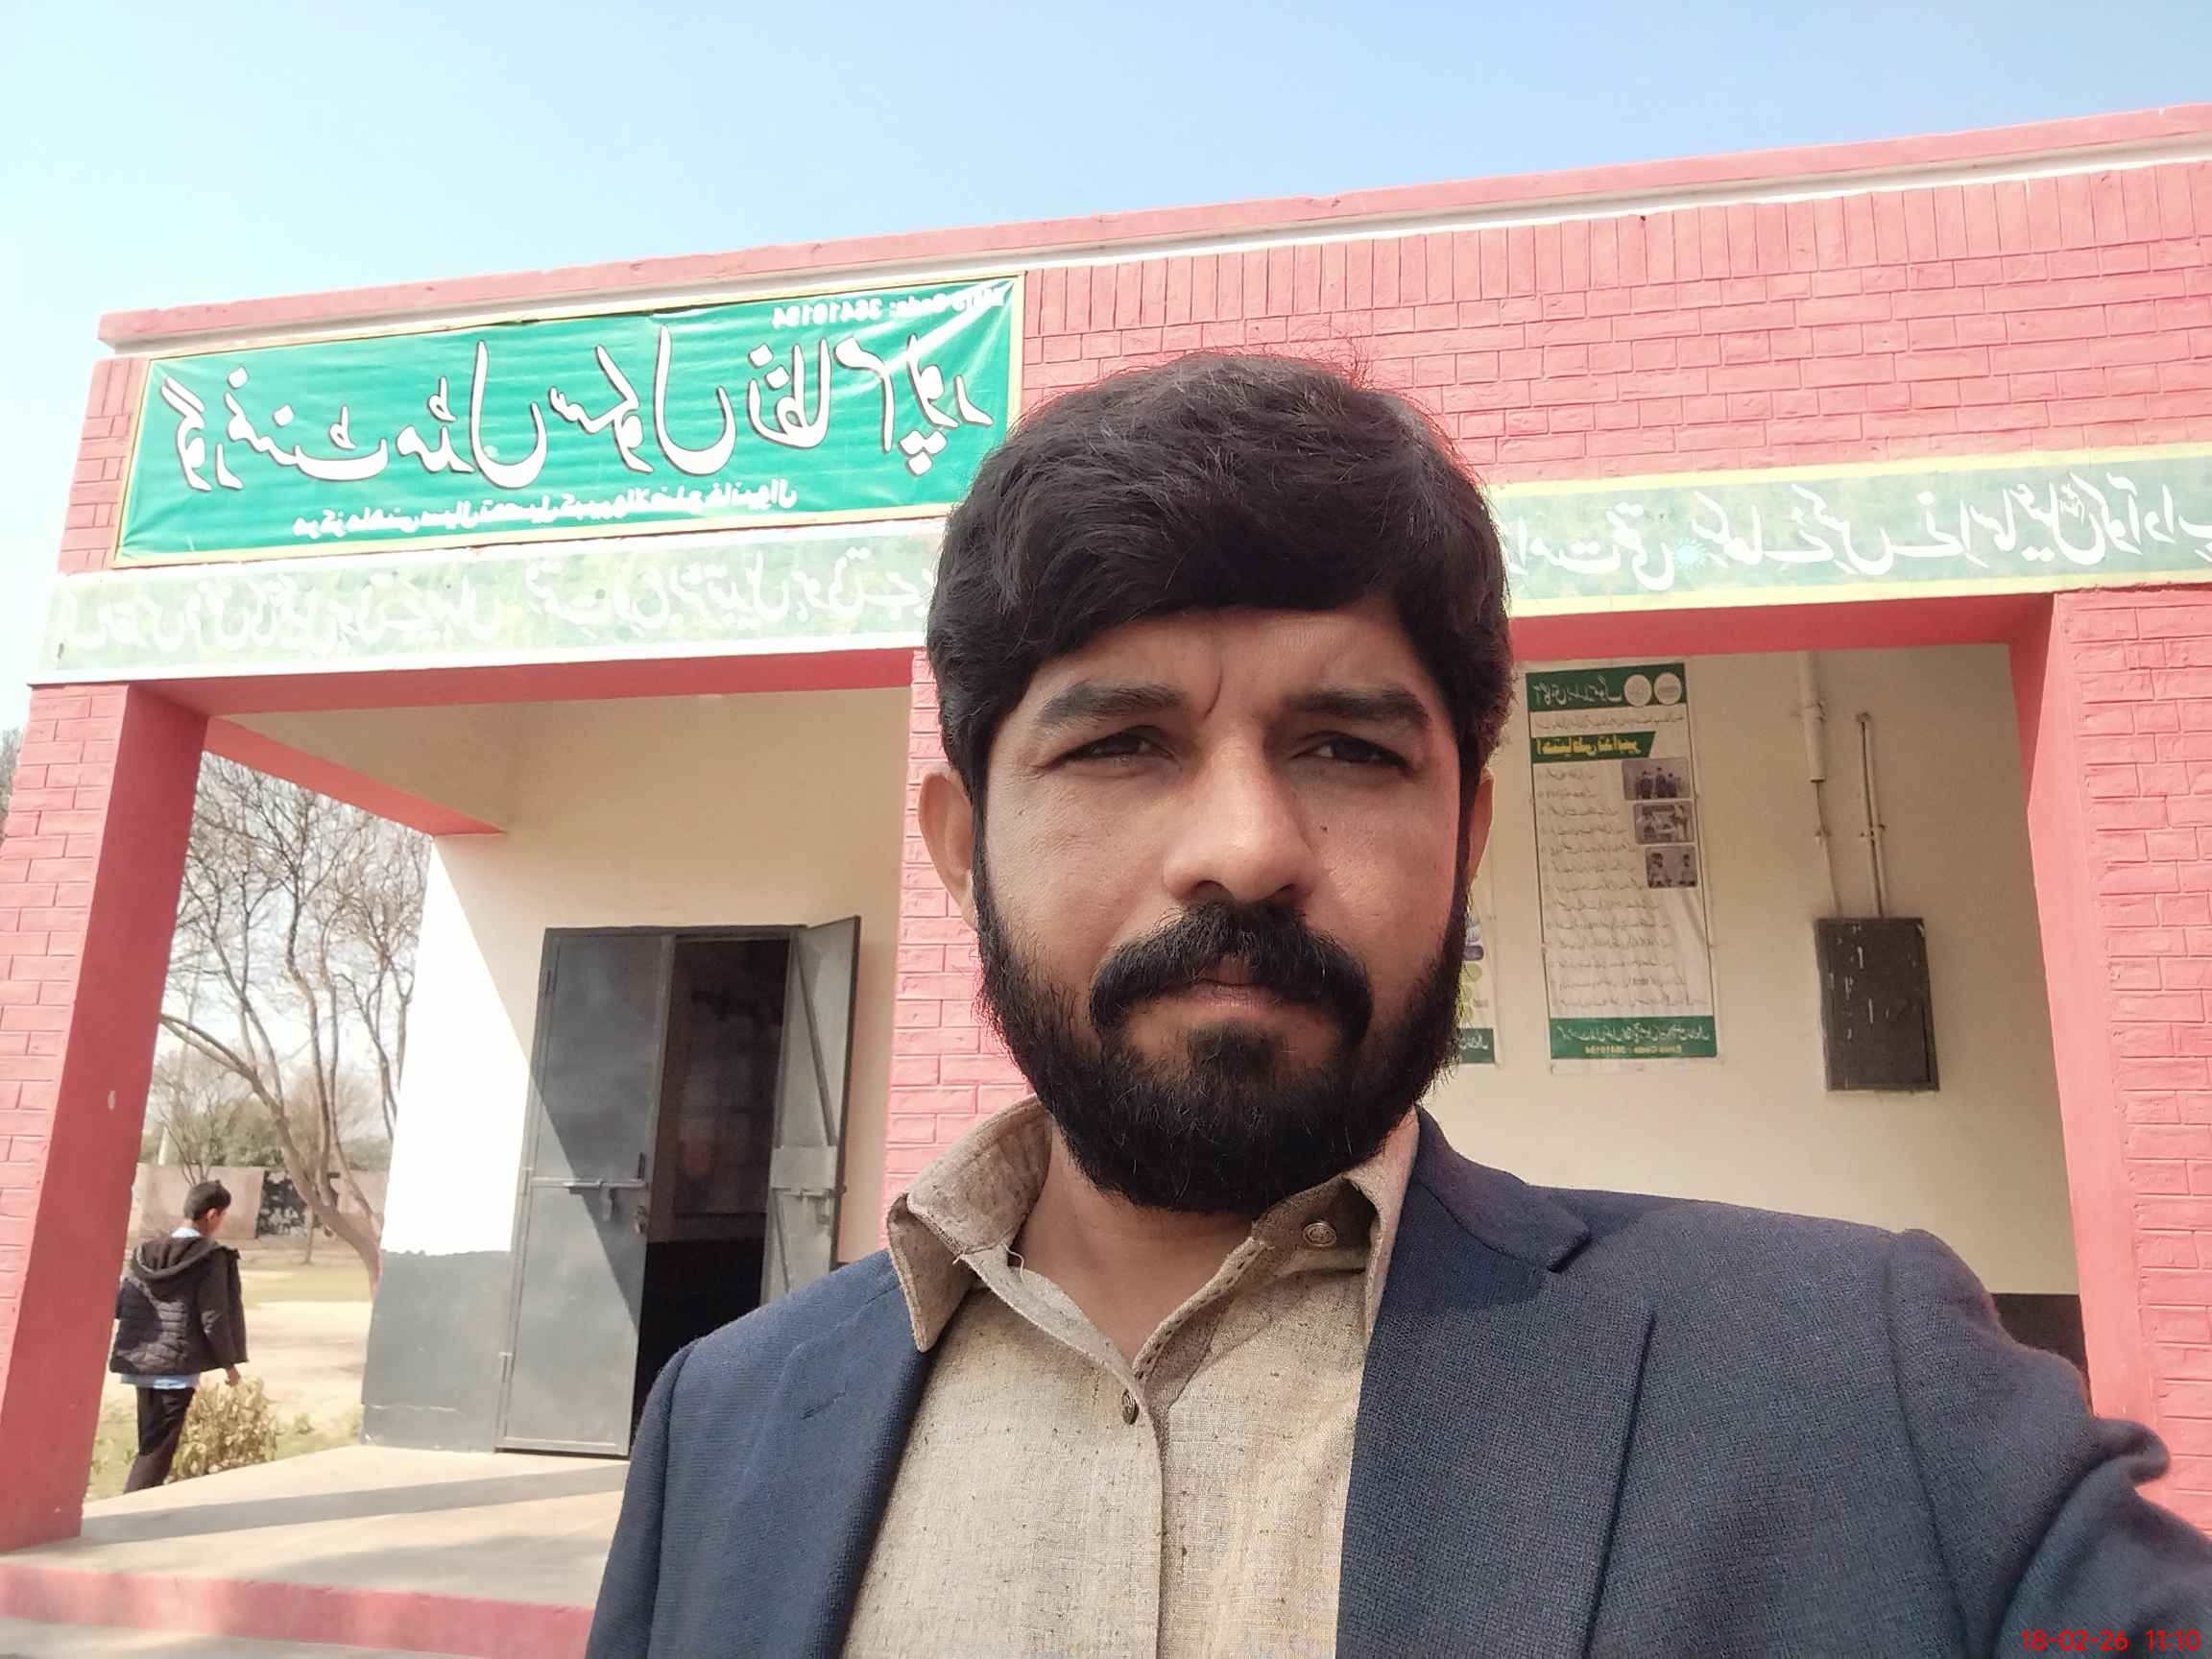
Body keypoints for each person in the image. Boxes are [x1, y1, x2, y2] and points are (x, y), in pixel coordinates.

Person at [589, 355, 2212, 1658]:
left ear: (1468, 834)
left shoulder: (1862, 1387)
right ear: (959, 847)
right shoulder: (726, 1427)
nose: (1244, 848)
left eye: (1349, 749)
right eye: (1122, 744)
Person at [108, 1179, 248, 1493]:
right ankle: (133, 1507)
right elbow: (213, 1317)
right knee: (158, 1451)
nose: (221, 1222)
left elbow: (122, 1303)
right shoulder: (209, 1256)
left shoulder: (144, 1252)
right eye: (223, 1216)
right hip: (177, 1368)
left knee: (150, 1442)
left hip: (140, 1364)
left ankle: (138, 1503)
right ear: (212, 1215)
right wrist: (229, 1364)